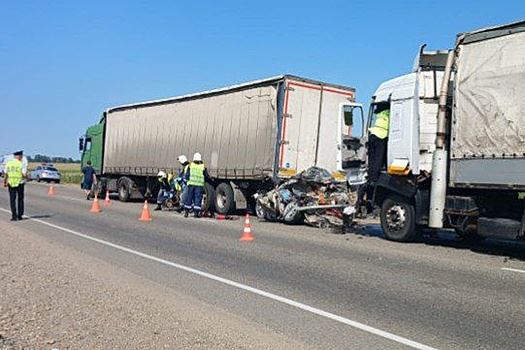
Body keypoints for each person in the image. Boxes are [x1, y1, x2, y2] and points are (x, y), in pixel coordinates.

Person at [364, 104, 390, 209]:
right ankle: (374, 180)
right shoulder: (389, 112)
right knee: (379, 160)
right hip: (381, 136)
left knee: (372, 161)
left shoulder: (379, 113)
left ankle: (370, 179)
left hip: (373, 135)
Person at [183, 152, 210, 218]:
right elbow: (206, 175)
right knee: (197, 198)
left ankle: (186, 212)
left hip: (191, 184)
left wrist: (186, 181)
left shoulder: (190, 165)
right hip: (199, 185)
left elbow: (187, 175)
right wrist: (209, 179)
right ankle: (196, 213)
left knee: (189, 197)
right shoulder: (203, 166)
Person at [3, 150, 27, 221]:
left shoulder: (9, 163)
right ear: (19, 156)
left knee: (12, 200)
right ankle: (20, 215)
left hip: (11, 183)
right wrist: (28, 178)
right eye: (21, 156)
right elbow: (24, 174)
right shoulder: (21, 164)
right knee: (20, 199)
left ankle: (14, 216)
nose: (22, 157)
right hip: (20, 183)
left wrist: (5, 182)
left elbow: (6, 174)